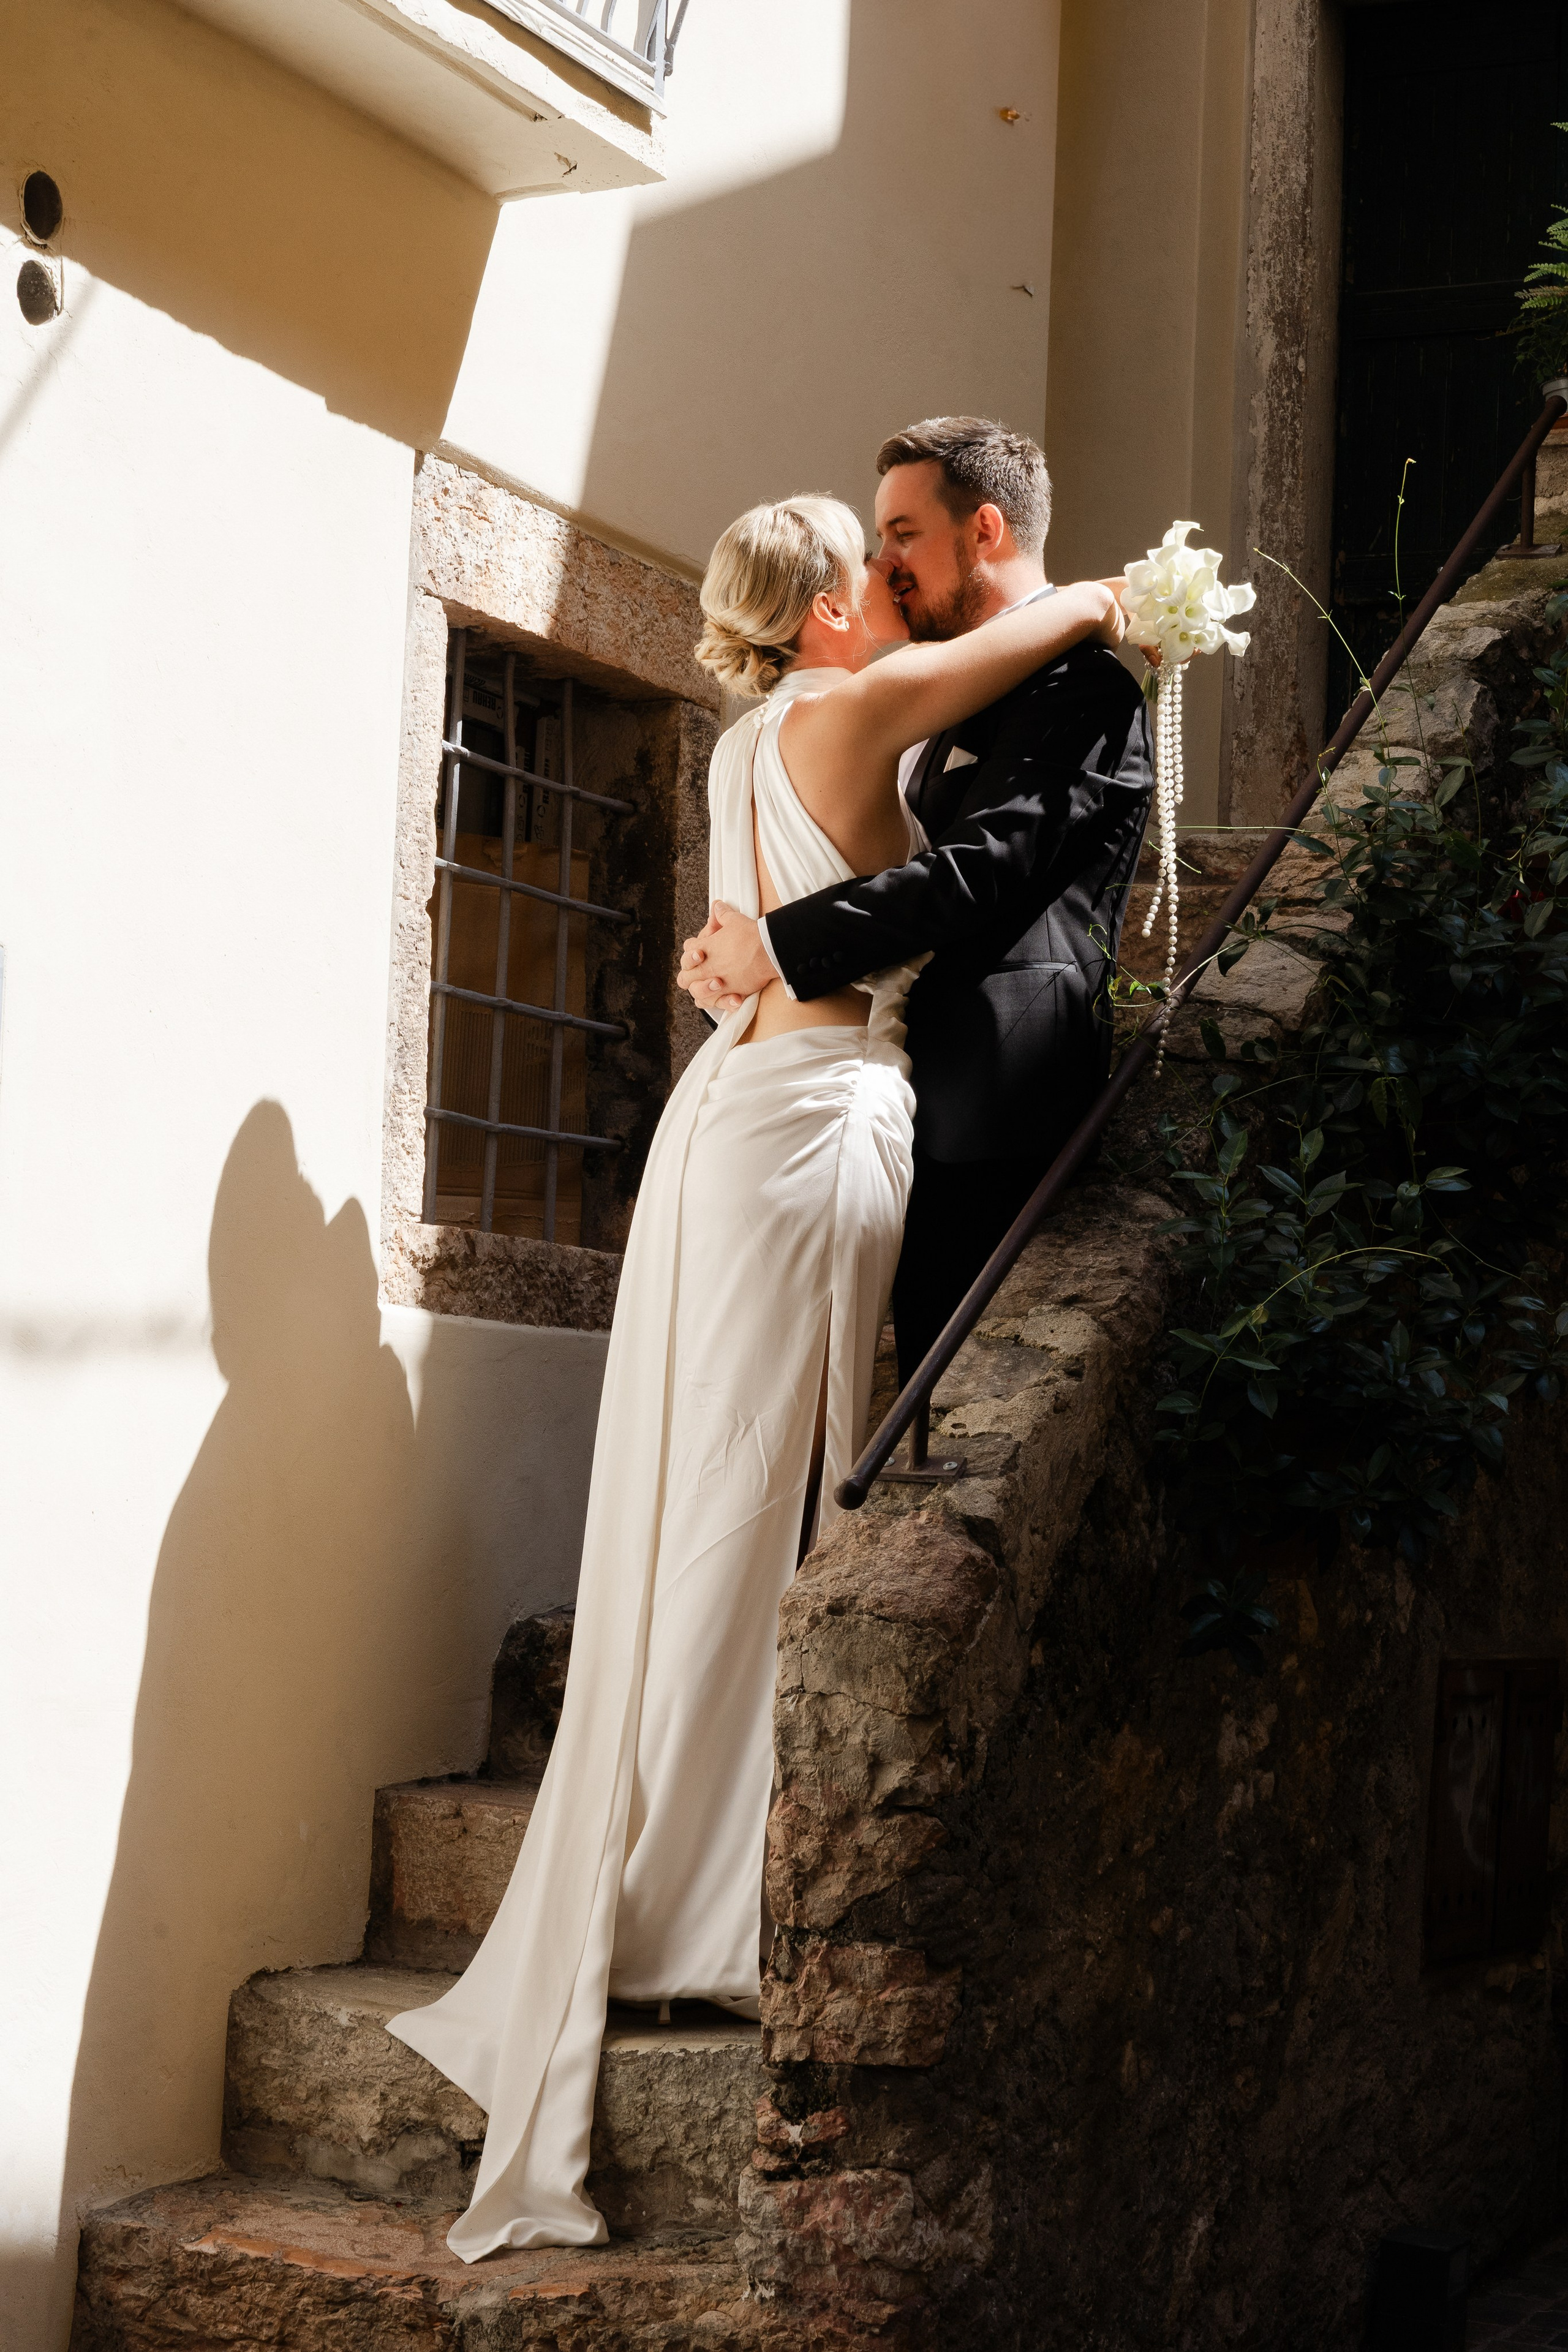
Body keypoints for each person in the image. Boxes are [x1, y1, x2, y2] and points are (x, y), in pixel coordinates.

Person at [386, 485, 1129, 2260]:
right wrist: (1122, 590)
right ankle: (697, 1907)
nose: (893, 590)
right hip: (806, 1113)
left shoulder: (738, 745)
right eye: (867, 571)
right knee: (753, 1497)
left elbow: (762, 931)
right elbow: (1045, 627)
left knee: (696, 1496)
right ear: (819, 614)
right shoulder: (853, 707)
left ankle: (656, 1879)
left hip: (723, 1107)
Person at [678, 416, 1156, 1387]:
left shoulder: (1084, 689)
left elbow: (980, 871)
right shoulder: (922, 701)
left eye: (901, 534)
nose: (883, 562)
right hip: (889, 1093)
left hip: (992, 1099)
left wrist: (775, 944)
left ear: (985, 530)